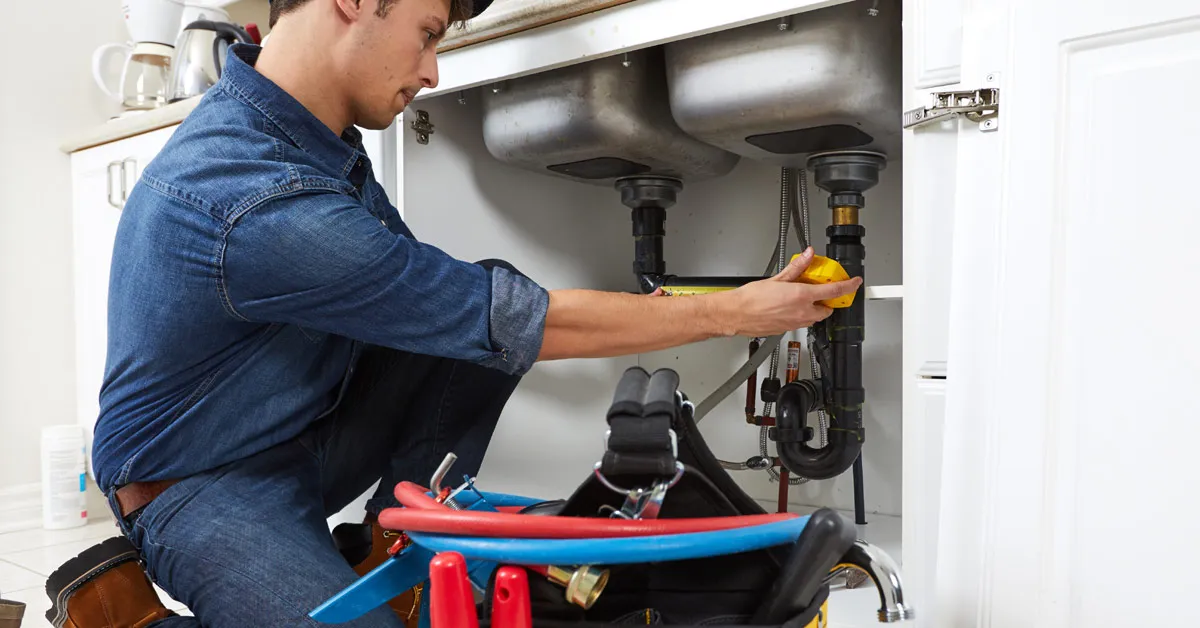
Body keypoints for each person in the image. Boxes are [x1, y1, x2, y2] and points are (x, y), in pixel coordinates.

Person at [45, 0, 862, 626]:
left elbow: (455, 312)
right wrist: (735, 312)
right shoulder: (253, 198)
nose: (431, 71)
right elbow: (513, 320)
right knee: (485, 314)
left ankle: (400, 539)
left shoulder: (310, 136)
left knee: (472, 312)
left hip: (298, 433)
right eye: (427, 30)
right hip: (200, 488)